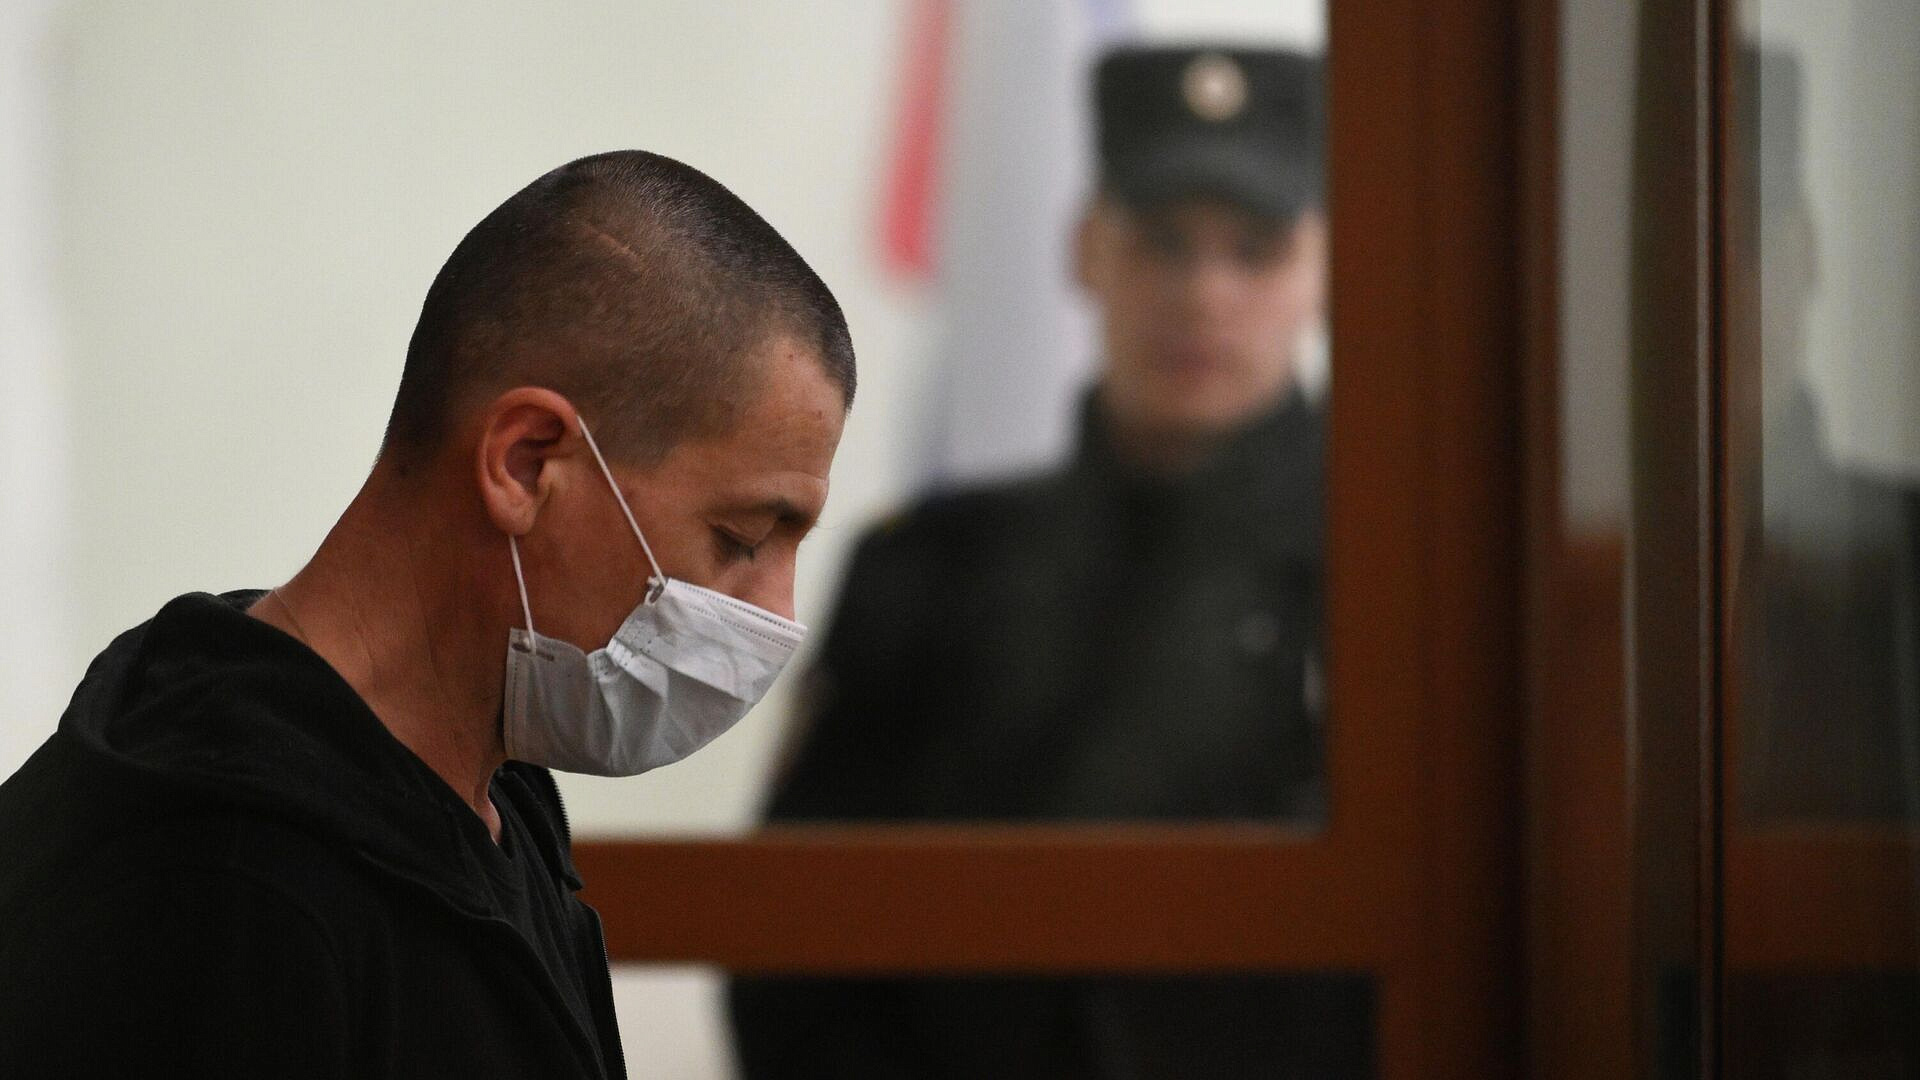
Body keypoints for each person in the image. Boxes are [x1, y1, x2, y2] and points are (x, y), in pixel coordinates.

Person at [0, 150, 854, 1078]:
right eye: (740, 537)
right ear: (526, 463)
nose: (777, 613)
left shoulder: (487, 801)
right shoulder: (219, 888)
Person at [729, 46, 1370, 1079]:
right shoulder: (929, 570)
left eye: (1254, 251)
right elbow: (795, 942)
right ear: (1086, 249)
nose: (1204, 294)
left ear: (1323, 270)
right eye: (1162, 241)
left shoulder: (1389, 581)